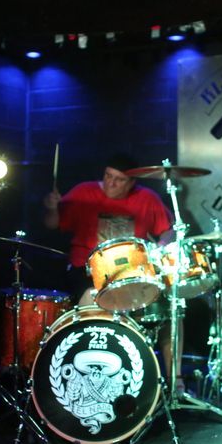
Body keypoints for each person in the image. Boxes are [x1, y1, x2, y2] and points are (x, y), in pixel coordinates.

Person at [43, 153, 180, 379]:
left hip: (132, 274)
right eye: (107, 176)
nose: (111, 183)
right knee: (89, 298)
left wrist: (161, 246)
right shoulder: (83, 192)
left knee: (171, 309)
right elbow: (52, 224)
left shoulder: (147, 198)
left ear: (132, 182)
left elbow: (169, 230)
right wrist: (51, 208)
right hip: (87, 272)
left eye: (119, 179)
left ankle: (175, 380)